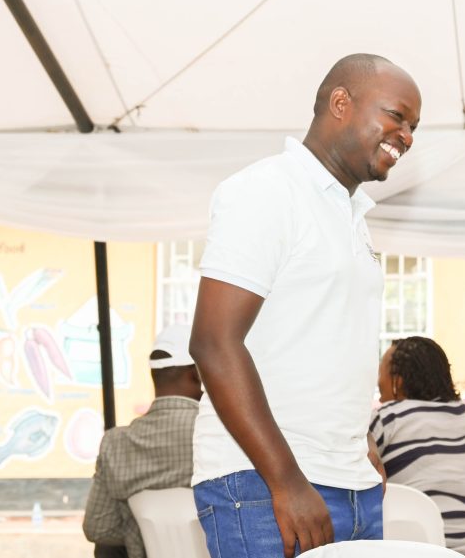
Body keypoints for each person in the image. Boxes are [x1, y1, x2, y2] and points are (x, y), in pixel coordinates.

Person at [189, 54, 421, 558]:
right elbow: (213, 342)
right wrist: (286, 479)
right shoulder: (267, 190)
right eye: (397, 116)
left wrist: (362, 443)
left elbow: (327, 341)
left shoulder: (350, 213)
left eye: (413, 127)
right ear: (340, 103)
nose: (406, 136)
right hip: (265, 483)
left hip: (349, 481)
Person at [83, 324, 203, 558]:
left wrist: (141, 531)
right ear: (197, 374)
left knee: (106, 548)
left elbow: (98, 527)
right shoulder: (218, 433)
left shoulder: (116, 442)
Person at [369, 336, 465, 558]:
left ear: (397, 380)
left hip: (413, 552)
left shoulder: (387, 418)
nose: (379, 384)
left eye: (381, 373)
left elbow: (364, 487)